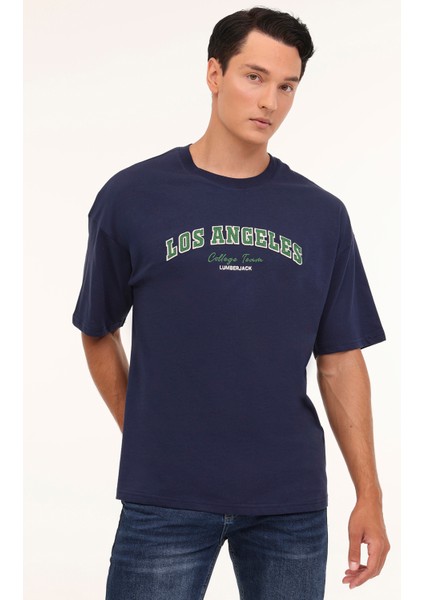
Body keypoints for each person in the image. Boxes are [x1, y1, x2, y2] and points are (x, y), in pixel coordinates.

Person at [72, 6, 390, 599]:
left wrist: (368, 494)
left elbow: (341, 359)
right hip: (165, 499)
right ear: (214, 73)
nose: (270, 101)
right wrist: (144, 433)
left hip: (290, 504)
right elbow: (97, 329)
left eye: (287, 86)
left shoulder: (321, 215)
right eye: (254, 76)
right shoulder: (132, 197)